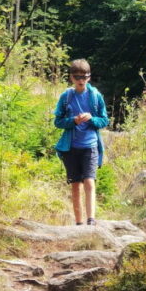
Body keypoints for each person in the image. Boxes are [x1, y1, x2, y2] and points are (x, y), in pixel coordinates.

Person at [53, 59, 109, 225]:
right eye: (77, 76)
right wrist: (73, 121)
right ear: (71, 77)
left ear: (89, 77)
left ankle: (91, 220)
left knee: (89, 181)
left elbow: (104, 121)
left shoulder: (95, 96)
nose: (80, 80)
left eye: (84, 77)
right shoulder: (66, 97)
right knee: (75, 185)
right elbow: (58, 122)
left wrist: (92, 119)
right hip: (71, 147)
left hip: (90, 146)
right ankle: (78, 223)